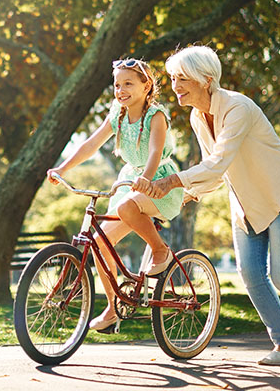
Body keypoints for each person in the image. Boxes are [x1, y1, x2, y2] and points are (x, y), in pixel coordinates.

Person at [136, 45, 280, 365]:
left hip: (279, 194)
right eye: (174, 78)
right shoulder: (196, 117)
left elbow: (217, 163)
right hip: (245, 203)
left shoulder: (237, 107)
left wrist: (172, 181)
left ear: (206, 79)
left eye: (182, 78)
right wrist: (190, 194)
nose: (175, 85)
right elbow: (215, 171)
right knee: (251, 275)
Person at [47, 58, 183, 332]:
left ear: (147, 86)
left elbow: (155, 151)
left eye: (128, 84)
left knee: (126, 209)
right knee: (100, 242)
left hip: (159, 181)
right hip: (131, 179)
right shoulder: (118, 114)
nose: (121, 90)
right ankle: (113, 307)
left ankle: (160, 250)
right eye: (117, 85)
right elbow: (91, 144)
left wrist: (146, 178)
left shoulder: (156, 115)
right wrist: (63, 167)